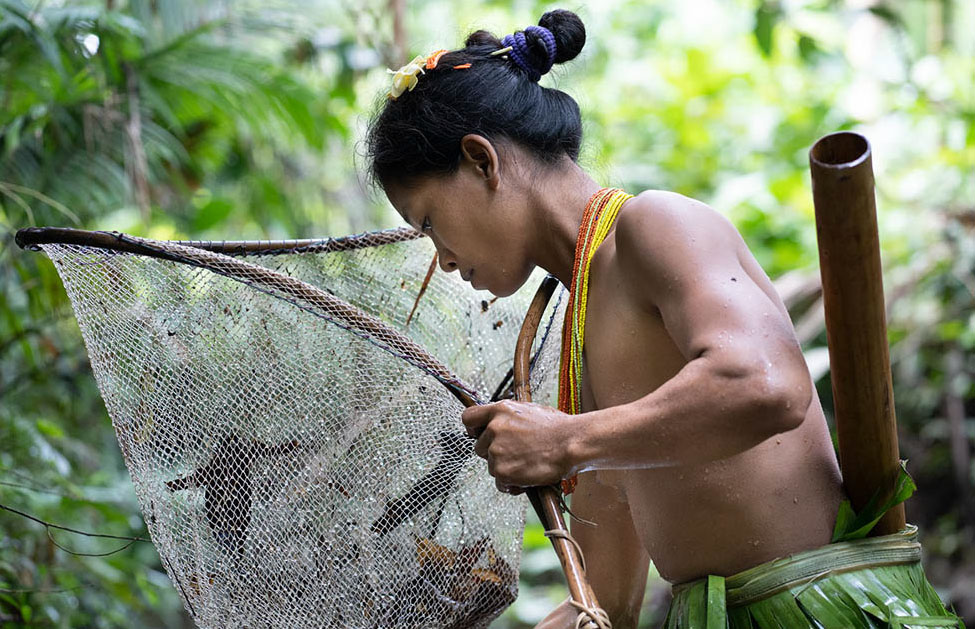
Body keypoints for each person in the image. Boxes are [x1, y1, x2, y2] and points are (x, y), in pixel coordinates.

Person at [365, 9, 960, 628]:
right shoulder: (581, 340)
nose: (445, 260)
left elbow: (766, 385)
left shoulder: (655, 226)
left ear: (483, 161)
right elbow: (605, 606)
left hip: (823, 608)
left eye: (430, 223)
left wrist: (567, 442)